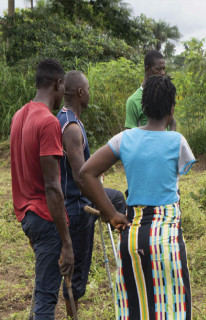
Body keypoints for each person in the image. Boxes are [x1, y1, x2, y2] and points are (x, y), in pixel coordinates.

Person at [79, 75, 196, 319]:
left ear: (142, 106)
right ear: (172, 108)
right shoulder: (178, 141)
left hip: (132, 237)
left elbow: (86, 173)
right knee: (171, 308)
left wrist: (111, 213)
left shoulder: (123, 139)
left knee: (136, 307)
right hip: (167, 240)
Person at [57, 70, 127, 318]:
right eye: (87, 89)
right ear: (79, 92)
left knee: (117, 197)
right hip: (77, 205)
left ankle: (126, 247)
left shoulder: (66, 118)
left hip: (75, 197)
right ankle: (72, 313)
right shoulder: (72, 128)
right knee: (76, 277)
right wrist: (106, 209)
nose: (89, 93)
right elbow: (79, 177)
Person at [10, 58, 74, 319]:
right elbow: (52, 187)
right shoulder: (48, 122)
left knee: (41, 293)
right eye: (63, 90)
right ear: (58, 85)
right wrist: (67, 242)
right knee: (46, 301)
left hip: (27, 217)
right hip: (46, 222)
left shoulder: (19, 116)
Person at [125, 50, 176, 131]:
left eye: (163, 69)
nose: (162, 73)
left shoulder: (165, 93)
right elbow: (129, 135)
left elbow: (172, 121)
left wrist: (173, 139)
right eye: (158, 69)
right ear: (147, 69)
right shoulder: (133, 101)